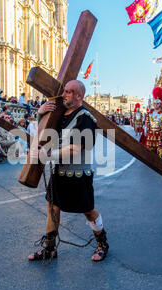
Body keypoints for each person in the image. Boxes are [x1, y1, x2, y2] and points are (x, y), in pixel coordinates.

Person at [28, 80, 109, 263]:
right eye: (64, 91)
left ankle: (102, 243)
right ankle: (49, 249)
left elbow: (77, 147)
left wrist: (49, 155)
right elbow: (43, 133)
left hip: (78, 174)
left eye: (68, 92)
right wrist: (40, 114)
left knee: (88, 211)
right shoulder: (60, 115)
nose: (63, 94)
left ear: (79, 96)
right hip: (59, 173)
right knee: (52, 208)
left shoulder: (85, 118)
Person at [142, 87, 162, 158]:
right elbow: (147, 122)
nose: (156, 105)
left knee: (160, 149)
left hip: (160, 132)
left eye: (157, 103)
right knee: (150, 148)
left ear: (160, 104)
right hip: (151, 132)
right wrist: (145, 131)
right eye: (154, 103)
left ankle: (159, 161)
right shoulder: (150, 113)